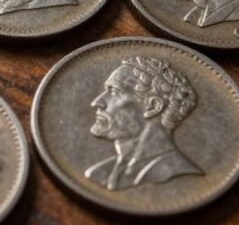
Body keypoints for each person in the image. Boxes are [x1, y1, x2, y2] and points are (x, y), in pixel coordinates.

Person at [85, 56, 203, 191]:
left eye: (114, 92)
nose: (96, 102)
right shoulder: (99, 173)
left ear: (153, 107)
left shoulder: (180, 174)